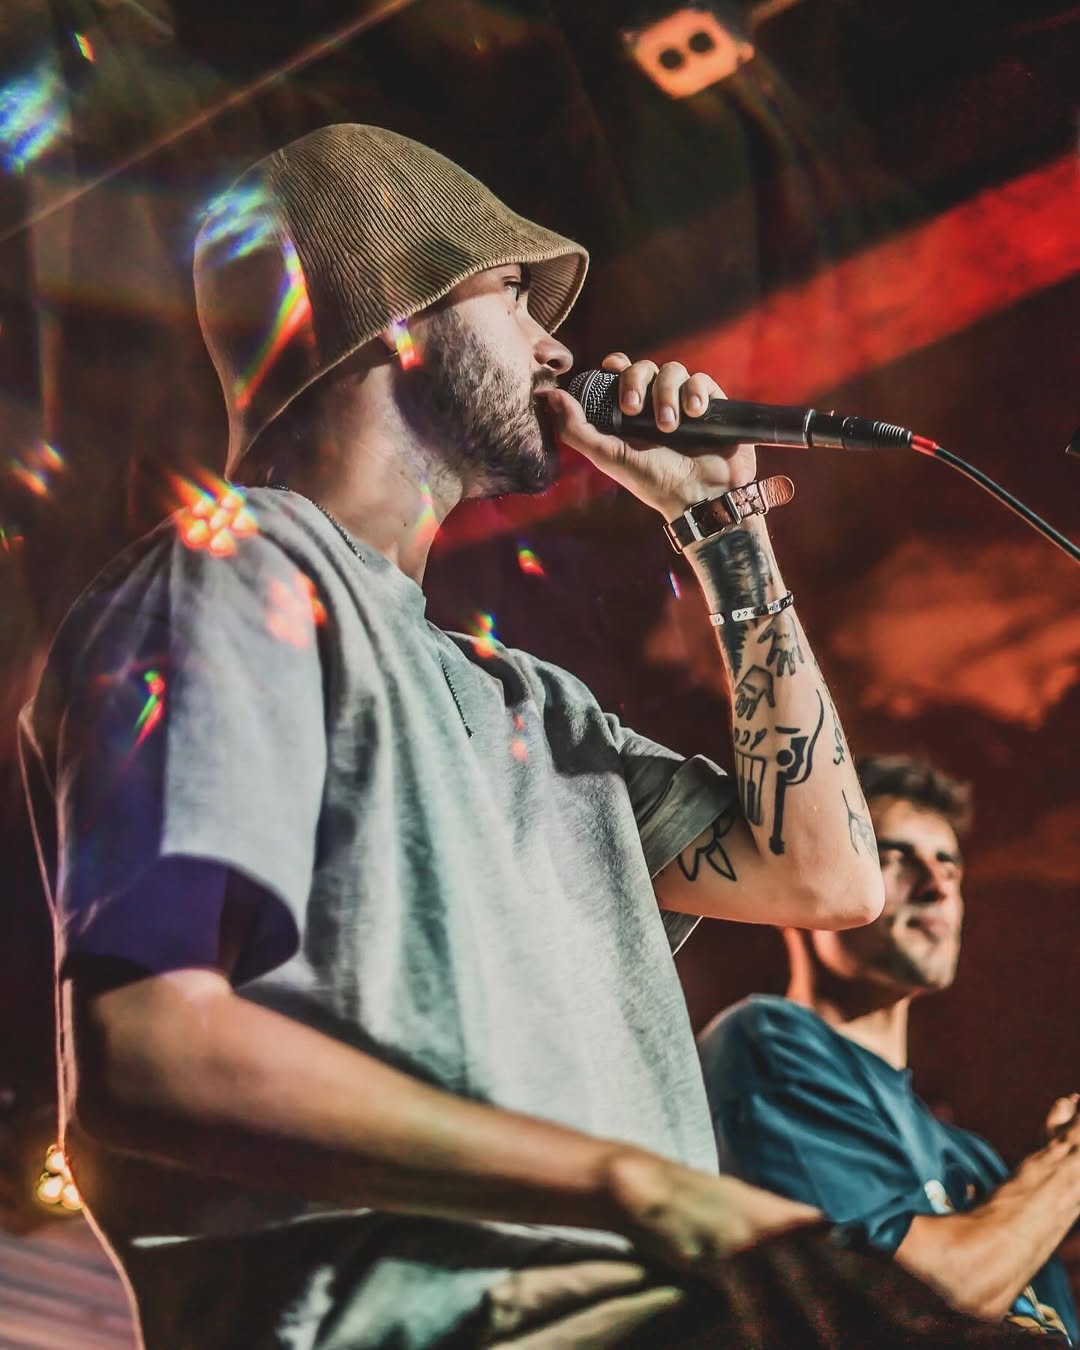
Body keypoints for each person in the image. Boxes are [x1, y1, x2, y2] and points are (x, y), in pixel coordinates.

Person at [19, 125, 1024, 1349]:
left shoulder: (534, 709)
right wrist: (640, 1187)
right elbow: (146, 1054)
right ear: (390, 322)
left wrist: (726, 532)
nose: (558, 350)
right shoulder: (233, 575)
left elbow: (827, 878)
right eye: (510, 294)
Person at [699, 753, 1080, 1342]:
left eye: (949, 866)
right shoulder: (765, 1041)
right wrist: (1069, 1168)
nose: (936, 887)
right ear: (800, 888)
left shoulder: (974, 1159)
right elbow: (905, 1310)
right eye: (892, 858)